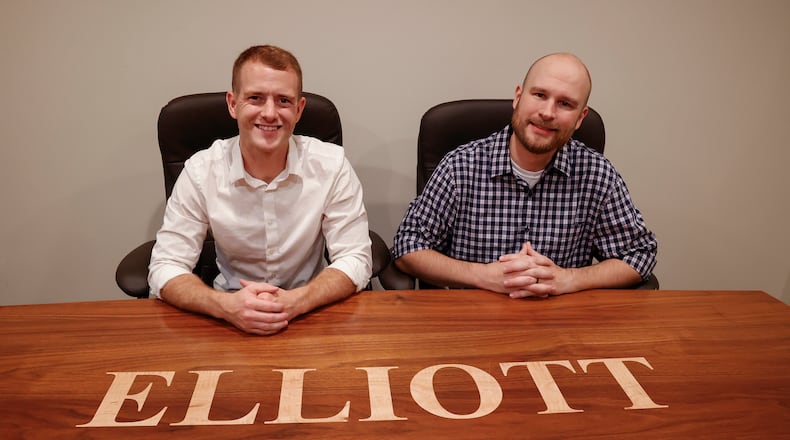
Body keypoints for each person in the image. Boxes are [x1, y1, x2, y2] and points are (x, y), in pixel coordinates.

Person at [392, 53, 657, 298]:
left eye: (565, 103)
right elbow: (408, 247)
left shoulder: (597, 175)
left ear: (580, 118)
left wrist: (569, 279)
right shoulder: (460, 166)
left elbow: (639, 254)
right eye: (540, 95)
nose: (547, 113)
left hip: (562, 327)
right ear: (518, 97)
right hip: (470, 323)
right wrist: (482, 276)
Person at [148, 45, 372, 335]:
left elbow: (356, 258)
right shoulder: (201, 171)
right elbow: (166, 266)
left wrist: (294, 302)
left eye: (283, 101)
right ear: (233, 104)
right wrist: (225, 306)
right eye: (255, 98)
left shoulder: (331, 165)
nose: (269, 113)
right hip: (227, 316)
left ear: (299, 109)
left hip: (312, 312)